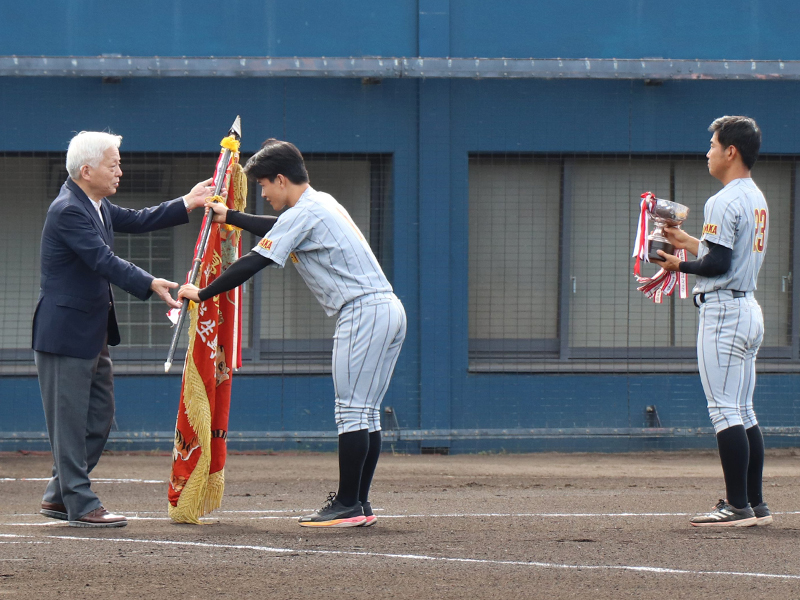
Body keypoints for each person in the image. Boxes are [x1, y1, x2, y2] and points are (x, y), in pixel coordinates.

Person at [179, 139, 406, 528]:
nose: (263, 193)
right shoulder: (319, 203)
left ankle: (349, 504)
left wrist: (203, 292)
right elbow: (279, 229)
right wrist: (230, 216)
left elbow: (256, 259)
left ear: (281, 180)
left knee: (351, 410)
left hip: (363, 312)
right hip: (385, 309)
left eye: (265, 185)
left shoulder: (306, 211)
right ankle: (359, 505)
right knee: (364, 411)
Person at [34, 131, 216, 527]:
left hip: (91, 334)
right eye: (113, 164)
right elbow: (103, 260)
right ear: (87, 170)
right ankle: (80, 503)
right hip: (65, 335)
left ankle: (57, 496)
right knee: (69, 425)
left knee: (98, 417)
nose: (120, 170)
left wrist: (188, 201)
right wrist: (151, 282)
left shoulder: (94, 204)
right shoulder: (68, 210)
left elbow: (138, 219)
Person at [653, 116, 771, 527]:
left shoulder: (721, 200)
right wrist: (685, 243)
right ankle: (755, 505)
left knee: (724, 410)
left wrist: (677, 265)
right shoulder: (755, 195)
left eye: (713, 145)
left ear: (730, 152)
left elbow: (717, 262)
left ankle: (737, 506)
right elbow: (724, 252)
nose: (708, 152)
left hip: (723, 311)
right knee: (743, 410)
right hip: (748, 308)